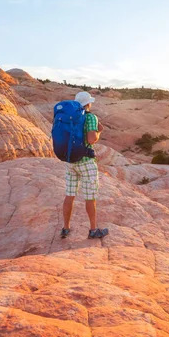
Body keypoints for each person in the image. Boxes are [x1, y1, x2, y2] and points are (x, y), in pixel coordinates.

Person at [61, 91, 109, 239]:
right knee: (90, 197)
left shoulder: (69, 117)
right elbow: (92, 139)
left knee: (70, 195)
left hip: (70, 161)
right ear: (88, 104)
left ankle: (66, 228)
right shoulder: (90, 117)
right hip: (86, 162)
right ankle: (93, 230)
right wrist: (99, 132)